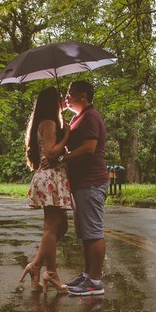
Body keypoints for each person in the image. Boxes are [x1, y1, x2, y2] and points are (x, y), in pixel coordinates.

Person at [49, 79, 107, 296]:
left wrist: (64, 157)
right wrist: (61, 110)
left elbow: (89, 148)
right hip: (81, 183)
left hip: (91, 181)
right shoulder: (78, 117)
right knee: (85, 232)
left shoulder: (90, 116)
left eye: (70, 94)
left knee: (93, 231)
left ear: (83, 96)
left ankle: (95, 282)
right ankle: (86, 275)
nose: (66, 97)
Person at [19, 86, 74, 292]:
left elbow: (52, 153)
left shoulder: (49, 122)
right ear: (52, 102)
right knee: (51, 228)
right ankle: (51, 273)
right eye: (60, 97)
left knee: (61, 227)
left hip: (53, 177)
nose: (63, 100)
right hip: (51, 178)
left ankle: (35, 266)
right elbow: (51, 153)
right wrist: (67, 135)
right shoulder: (50, 122)